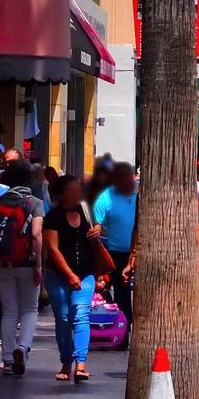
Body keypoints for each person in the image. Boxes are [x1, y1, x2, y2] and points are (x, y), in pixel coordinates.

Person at [42, 176, 101, 384]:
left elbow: (98, 228)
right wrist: (69, 274)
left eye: (79, 189)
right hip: (58, 275)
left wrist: (97, 231)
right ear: (62, 194)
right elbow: (52, 249)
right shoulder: (52, 217)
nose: (79, 193)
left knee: (81, 315)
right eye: (74, 190)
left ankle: (81, 364)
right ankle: (66, 362)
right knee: (64, 318)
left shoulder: (86, 211)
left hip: (86, 274)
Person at [0, 161, 44, 376]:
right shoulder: (34, 202)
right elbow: (36, 234)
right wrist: (39, 264)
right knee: (30, 309)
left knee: (9, 311)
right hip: (27, 263)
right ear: (30, 178)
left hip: (1, 263)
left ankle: (6, 360)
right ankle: (22, 348)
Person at [92, 162, 137, 331]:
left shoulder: (140, 195)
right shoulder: (105, 197)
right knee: (121, 291)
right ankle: (123, 324)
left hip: (139, 252)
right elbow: (97, 224)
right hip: (116, 252)